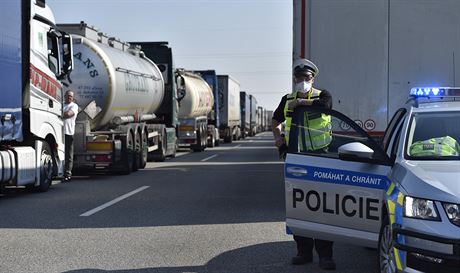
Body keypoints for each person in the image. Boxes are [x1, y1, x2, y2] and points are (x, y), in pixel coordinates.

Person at [272, 58, 336, 270]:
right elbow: (275, 122)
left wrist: (300, 103)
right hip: (297, 161)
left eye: (306, 78)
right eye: (299, 78)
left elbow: (325, 106)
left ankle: (325, 256)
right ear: (294, 79)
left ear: (313, 78)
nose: (302, 81)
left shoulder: (322, 95)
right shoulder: (286, 99)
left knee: (323, 208)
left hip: (321, 160)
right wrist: (279, 141)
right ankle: (304, 252)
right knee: (299, 207)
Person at [62, 90, 79, 182]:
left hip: (69, 133)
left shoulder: (74, 106)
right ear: (64, 96)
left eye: (71, 96)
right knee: (60, 153)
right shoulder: (61, 105)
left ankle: (67, 174)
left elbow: (68, 114)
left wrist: (60, 113)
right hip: (59, 133)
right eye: (68, 96)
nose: (69, 97)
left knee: (68, 155)